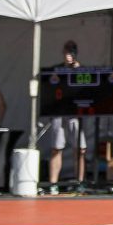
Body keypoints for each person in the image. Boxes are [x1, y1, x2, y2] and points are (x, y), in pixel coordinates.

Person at [47, 40, 86, 195]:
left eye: (72, 52)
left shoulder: (82, 70)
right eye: (67, 51)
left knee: (80, 148)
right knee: (57, 147)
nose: (69, 55)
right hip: (59, 112)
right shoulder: (56, 69)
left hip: (75, 113)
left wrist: (77, 68)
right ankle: (53, 183)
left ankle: (80, 181)